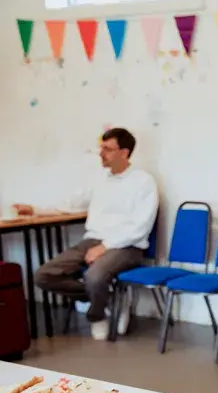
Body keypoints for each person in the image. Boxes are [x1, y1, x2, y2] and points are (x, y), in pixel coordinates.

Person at [14, 128, 158, 341]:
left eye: (108, 149)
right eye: (101, 148)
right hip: (92, 240)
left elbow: (140, 227)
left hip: (127, 246)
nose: (101, 153)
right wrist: (35, 209)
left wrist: (105, 246)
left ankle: (96, 316)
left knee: (94, 276)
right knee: (43, 275)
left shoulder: (143, 182)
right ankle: (109, 299)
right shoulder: (99, 179)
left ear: (124, 153)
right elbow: (70, 205)